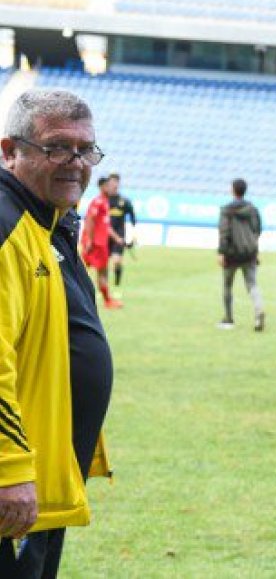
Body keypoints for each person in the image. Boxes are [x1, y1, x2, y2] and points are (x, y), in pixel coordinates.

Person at [0, 88, 113, 577]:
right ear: (9, 151)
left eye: (85, 149)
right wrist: (9, 467)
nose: (75, 162)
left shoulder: (49, 221)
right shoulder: (7, 228)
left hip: (41, 468)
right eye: (56, 147)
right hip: (13, 484)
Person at [217, 178, 265, 331]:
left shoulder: (226, 210)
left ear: (233, 190)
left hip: (231, 253)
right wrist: (254, 249)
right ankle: (258, 312)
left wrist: (221, 253)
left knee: (227, 285)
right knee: (252, 284)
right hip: (249, 252)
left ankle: (228, 319)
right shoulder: (253, 209)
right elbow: (257, 230)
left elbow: (224, 232)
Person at [81, 175, 121, 309]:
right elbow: (90, 220)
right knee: (100, 272)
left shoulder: (105, 201)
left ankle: (104, 300)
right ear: (103, 187)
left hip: (99, 242)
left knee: (81, 270)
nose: (112, 188)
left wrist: (116, 238)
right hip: (96, 244)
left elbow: (105, 225)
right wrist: (90, 241)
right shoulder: (98, 201)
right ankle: (107, 301)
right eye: (109, 186)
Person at [104, 172, 135, 293]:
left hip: (120, 236)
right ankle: (105, 288)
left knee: (117, 261)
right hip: (105, 236)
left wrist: (132, 236)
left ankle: (117, 285)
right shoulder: (103, 201)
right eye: (111, 182)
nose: (114, 184)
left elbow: (133, 218)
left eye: (116, 182)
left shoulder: (124, 201)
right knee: (104, 264)